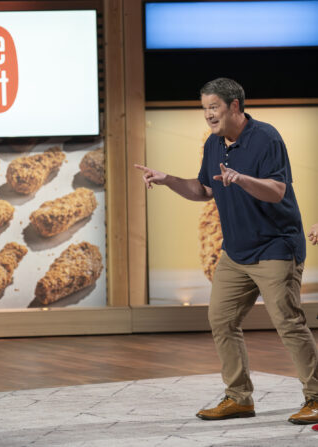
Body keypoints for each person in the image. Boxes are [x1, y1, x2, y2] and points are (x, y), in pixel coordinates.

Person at [135, 78, 318, 424]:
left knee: (288, 324)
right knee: (221, 319)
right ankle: (238, 397)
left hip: (276, 246)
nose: (208, 114)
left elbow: (277, 191)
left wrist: (241, 179)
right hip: (236, 252)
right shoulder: (214, 144)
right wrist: (168, 179)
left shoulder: (266, 138)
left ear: (235, 106)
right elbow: (203, 190)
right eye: (204, 108)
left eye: (214, 107)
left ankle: (316, 396)